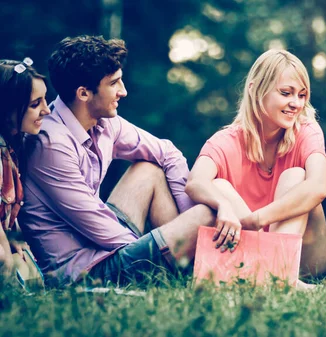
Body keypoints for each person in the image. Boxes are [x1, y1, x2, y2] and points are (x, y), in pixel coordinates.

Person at [19, 35, 215, 287]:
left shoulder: (105, 122)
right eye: (114, 83)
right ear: (83, 93)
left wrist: (184, 223)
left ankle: (188, 270)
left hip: (104, 245)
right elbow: (100, 228)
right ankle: (192, 274)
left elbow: (168, 153)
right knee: (205, 215)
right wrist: (175, 236)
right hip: (85, 273)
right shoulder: (50, 145)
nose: (123, 91)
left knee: (149, 169)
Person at [185, 50, 326, 283]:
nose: (296, 104)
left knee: (295, 176)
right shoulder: (227, 140)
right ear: (255, 89)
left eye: (302, 95)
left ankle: (276, 274)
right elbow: (195, 181)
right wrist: (222, 204)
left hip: (308, 258)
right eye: (286, 93)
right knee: (219, 186)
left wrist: (256, 220)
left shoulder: (306, 130)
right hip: (249, 253)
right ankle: (272, 277)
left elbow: (319, 186)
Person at [0, 58, 50, 279]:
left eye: (45, 100)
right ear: (6, 109)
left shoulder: (12, 147)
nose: (46, 110)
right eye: (34, 104)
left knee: (31, 274)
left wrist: (13, 240)